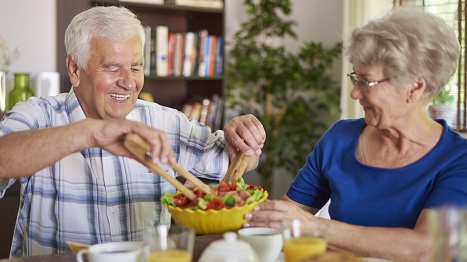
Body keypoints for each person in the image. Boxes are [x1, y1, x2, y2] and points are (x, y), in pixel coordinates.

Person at [0, 6, 266, 257]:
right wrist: (89, 133)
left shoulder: (165, 121)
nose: (128, 82)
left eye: (136, 67)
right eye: (112, 67)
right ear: (74, 69)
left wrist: (244, 140)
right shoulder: (37, 115)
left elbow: (239, 161)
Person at [244, 7, 467, 262]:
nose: (355, 94)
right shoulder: (340, 138)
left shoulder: (458, 159)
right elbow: (283, 218)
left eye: (366, 81)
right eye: (355, 78)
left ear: (414, 87)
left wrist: (317, 227)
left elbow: (428, 249)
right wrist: (230, 192)